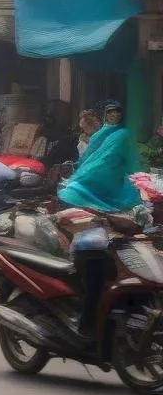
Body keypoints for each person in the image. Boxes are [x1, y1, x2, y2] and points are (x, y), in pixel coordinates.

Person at [58, 100, 142, 338]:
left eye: (118, 113)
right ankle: (87, 322)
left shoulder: (123, 136)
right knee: (94, 268)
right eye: (110, 113)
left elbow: (124, 163)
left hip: (112, 202)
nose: (114, 117)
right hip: (94, 218)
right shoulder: (98, 139)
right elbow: (93, 163)